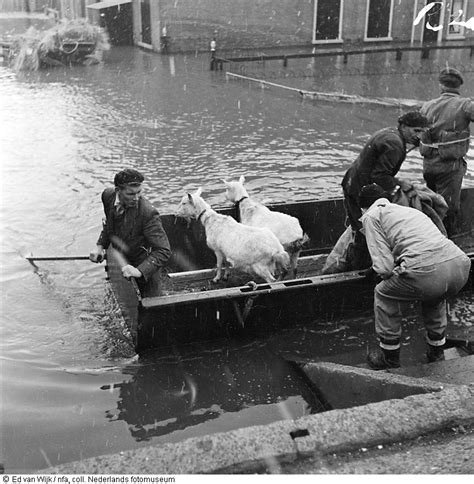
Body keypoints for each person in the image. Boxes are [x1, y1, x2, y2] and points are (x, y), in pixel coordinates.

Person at [358, 183, 471, 370]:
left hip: (428, 272)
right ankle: (436, 352)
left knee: (383, 293)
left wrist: (385, 273)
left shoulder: (371, 215)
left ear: (363, 206)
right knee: (435, 295)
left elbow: (384, 268)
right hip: (459, 265)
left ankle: (389, 358)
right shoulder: (409, 211)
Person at [341, 111, 431, 270]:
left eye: (423, 132)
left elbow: (378, 172)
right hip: (359, 190)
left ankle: (354, 265)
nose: (419, 136)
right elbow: (380, 176)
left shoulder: (390, 133)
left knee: (360, 229)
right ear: (403, 126)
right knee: (365, 234)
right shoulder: (395, 144)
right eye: (416, 131)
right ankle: (355, 270)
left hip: (352, 183)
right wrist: (399, 186)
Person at [89, 168, 171, 297]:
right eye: (131, 194)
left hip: (145, 265)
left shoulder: (148, 213)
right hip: (123, 260)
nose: (136, 198)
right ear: (117, 191)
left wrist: (139, 271)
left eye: (139, 192)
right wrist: (100, 246)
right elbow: (110, 225)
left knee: (150, 303)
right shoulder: (107, 196)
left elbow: (163, 251)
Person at [420, 67, 474, 237]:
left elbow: (418, 131)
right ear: (459, 86)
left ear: (441, 85)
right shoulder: (465, 104)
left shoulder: (427, 106)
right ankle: (446, 242)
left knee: (432, 203)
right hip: (449, 167)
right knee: (449, 208)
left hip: (428, 166)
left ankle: (429, 237)